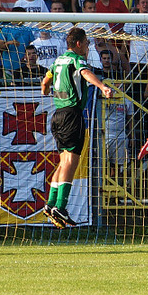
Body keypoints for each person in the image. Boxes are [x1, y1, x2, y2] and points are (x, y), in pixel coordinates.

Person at [41, 27, 113, 227]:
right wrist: (102, 86)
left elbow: (45, 82)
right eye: (88, 43)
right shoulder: (76, 59)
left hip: (58, 115)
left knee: (63, 162)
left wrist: (46, 90)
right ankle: (60, 207)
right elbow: (86, 72)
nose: (89, 47)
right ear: (79, 43)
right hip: (72, 115)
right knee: (71, 163)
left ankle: (50, 204)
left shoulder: (57, 61)